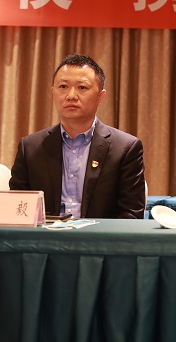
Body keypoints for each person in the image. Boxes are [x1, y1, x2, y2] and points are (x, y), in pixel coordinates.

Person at [10, 54, 146, 219]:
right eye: (63, 86)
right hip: (45, 235)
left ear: (100, 97)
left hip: (99, 235)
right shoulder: (30, 147)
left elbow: (131, 214)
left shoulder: (125, 148)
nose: (71, 95)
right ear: (53, 92)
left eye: (82, 87)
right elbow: (17, 208)